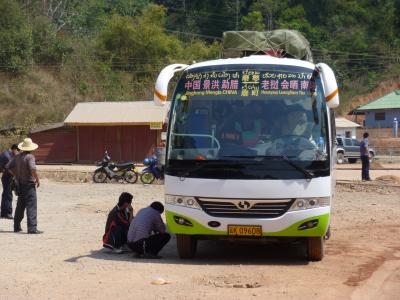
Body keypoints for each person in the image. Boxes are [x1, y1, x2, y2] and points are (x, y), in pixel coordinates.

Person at [6, 138, 42, 234]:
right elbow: (32, 169)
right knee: (31, 206)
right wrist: (37, 180)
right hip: (29, 185)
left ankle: (16, 226)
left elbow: (8, 167)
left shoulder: (17, 157)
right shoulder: (30, 157)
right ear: (31, 148)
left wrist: (16, 175)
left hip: (20, 184)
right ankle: (32, 228)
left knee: (20, 206)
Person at [0, 144, 19, 219]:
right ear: (15, 149)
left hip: (6, 176)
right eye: (18, 151)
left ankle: (3, 213)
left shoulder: (8, 153)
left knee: (6, 194)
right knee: (8, 194)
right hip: (7, 176)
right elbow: (8, 169)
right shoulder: (7, 156)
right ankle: (8, 213)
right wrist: (16, 175)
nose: (18, 153)